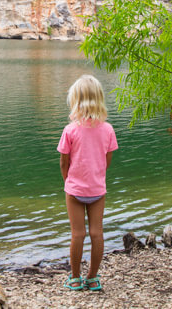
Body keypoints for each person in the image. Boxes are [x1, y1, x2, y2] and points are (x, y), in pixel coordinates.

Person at [57, 74, 118, 292]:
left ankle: (74, 278)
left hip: (74, 189)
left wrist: (69, 182)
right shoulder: (108, 129)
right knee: (96, 233)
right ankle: (92, 278)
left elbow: (64, 162)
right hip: (97, 189)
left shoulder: (70, 130)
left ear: (76, 100)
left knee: (77, 234)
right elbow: (107, 159)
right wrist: (97, 176)